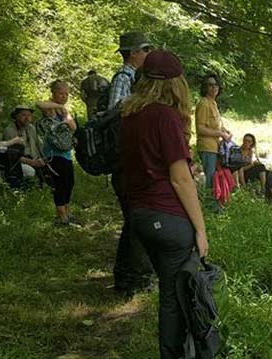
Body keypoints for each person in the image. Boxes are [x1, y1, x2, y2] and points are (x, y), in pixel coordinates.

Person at [119, 49, 210, 359]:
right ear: (175, 84)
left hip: (140, 215)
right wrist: (200, 228)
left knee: (171, 289)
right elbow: (179, 180)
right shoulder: (165, 116)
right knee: (175, 297)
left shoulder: (129, 115)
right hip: (168, 217)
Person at [108, 31, 155, 295]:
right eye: (145, 49)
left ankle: (126, 279)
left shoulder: (134, 78)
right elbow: (116, 113)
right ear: (134, 53)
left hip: (127, 161)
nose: (148, 54)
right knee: (135, 223)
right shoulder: (124, 77)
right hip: (124, 162)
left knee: (132, 223)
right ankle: (131, 280)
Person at [36, 80, 78, 226]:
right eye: (61, 93)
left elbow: (73, 127)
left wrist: (65, 114)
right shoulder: (51, 108)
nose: (64, 96)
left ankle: (67, 212)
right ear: (53, 93)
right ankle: (62, 217)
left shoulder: (64, 111)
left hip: (65, 152)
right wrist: (60, 106)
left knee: (69, 183)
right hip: (53, 153)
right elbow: (39, 104)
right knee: (60, 184)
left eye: (66, 94)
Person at [195, 73, 231, 205]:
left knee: (215, 176)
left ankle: (216, 203)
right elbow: (200, 129)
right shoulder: (204, 103)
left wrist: (225, 131)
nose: (213, 87)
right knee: (210, 178)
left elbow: (216, 125)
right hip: (206, 146)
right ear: (205, 87)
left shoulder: (213, 103)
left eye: (216, 85)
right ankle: (210, 206)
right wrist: (220, 134)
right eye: (210, 85)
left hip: (215, 147)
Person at [2, 105, 46, 180]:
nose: (27, 118)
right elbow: (12, 155)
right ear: (16, 116)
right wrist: (33, 162)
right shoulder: (10, 131)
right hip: (18, 163)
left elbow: (40, 145)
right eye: (23, 115)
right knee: (29, 172)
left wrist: (43, 158)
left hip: (34, 159)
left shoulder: (31, 128)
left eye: (29, 115)